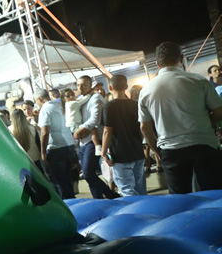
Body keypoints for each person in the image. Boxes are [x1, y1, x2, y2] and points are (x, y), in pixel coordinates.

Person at [139, 42, 222, 193]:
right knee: (213, 193)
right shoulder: (199, 80)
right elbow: (219, 111)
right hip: (204, 144)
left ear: (157, 63)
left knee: (180, 197)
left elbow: (144, 127)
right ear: (181, 58)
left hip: (171, 149)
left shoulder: (146, 90)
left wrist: (158, 151)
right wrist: (210, 122)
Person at [73, 75, 119, 199]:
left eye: (83, 84)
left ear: (90, 85)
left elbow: (95, 119)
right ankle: (98, 199)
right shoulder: (82, 100)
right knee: (90, 175)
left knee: (88, 174)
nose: (80, 87)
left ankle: (112, 195)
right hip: (83, 142)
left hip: (94, 141)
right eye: (78, 85)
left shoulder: (96, 98)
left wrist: (80, 129)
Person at [100, 75, 147, 196]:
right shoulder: (135, 104)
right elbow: (142, 127)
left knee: (127, 189)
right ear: (126, 86)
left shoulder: (108, 106)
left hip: (120, 153)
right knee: (140, 188)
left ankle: (134, 208)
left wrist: (103, 152)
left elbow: (107, 131)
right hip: (137, 151)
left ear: (110, 87)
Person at [34, 88, 76, 199]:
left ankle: (67, 205)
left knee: (59, 183)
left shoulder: (45, 109)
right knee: (67, 180)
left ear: (39, 99)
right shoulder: (59, 105)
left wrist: (43, 153)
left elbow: (45, 132)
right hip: (69, 144)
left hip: (56, 148)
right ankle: (72, 202)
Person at [8, 108, 44, 174]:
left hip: (20, 161)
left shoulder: (9, 130)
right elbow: (38, 144)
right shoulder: (32, 128)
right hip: (35, 159)